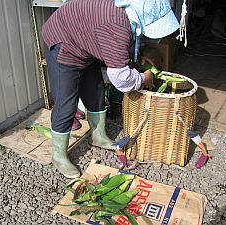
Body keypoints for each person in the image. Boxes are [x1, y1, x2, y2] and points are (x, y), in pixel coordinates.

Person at [41, 0, 179, 178]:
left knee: (96, 91)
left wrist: (140, 52)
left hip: (84, 41)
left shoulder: (126, 10)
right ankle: (58, 156)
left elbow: (115, 43)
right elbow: (121, 79)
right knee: (66, 103)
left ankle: (98, 136)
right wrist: (145, 77)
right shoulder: (117, 25)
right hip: (62, 43)